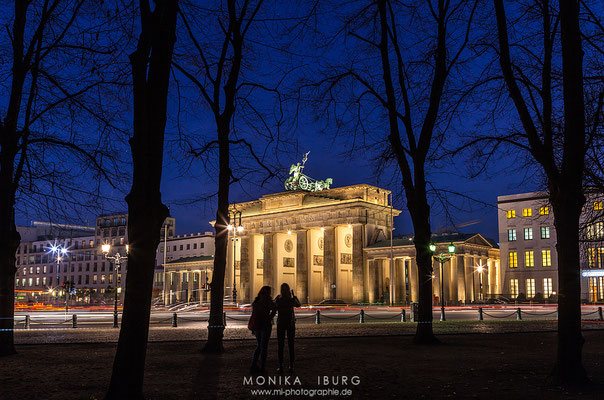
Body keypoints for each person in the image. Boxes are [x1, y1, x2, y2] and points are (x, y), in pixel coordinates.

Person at [274, 283, 301, 374]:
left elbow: (273, 306)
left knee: (280, 346)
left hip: (281, 323)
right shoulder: (291, 299)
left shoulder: (278, 298)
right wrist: (293, 295)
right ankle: (291, 366)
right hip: (290, 323)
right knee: (291, 345)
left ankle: (280, 366)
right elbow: (298, 305)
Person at [250, 286, 276, 374]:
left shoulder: (256, 302)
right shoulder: (268, 301)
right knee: (263, 346)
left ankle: (254, 364)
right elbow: (274, 310)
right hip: (265, 325)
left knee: (259, 345)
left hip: (257, 325)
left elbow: (254, 314)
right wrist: (269, 317)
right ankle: (262, 367)